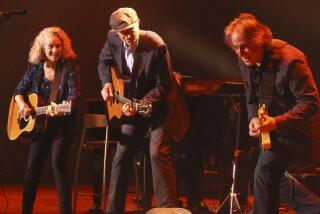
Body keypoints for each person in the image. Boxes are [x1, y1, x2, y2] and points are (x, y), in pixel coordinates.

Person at [224, 13, 320, 214]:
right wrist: (252, 118)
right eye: (235, 48)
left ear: (259, 40)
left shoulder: (291, 60)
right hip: (273, 130)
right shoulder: (245, 59)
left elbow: (310, 104)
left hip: (298, 130)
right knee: (269, 174)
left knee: (265, 172)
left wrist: (275, 122)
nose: (240, 53)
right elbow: (251, 96)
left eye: (244, 46)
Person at [98, 7, 189, 214]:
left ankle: (168, 210)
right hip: (134, 105)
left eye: (130, 31)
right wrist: (106, 83)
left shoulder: (155, 44)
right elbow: (103, 62)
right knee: (122, 152)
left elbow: (164, 85)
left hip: (160, 108)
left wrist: (144, 103)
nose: (127, 37)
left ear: (138, 24)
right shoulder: (112, 38)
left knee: (157, 152)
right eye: (123, 33)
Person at [14, 26, 80, 214]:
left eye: (58, 46)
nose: (54, 51)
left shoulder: (70, 66)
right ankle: (26, 210)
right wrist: (23, 106)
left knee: (58, 162)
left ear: (63, 46)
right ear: (42, 47)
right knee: (32, 167)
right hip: (41, 125)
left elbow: (74, 98)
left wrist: (59, 111)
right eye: (50, 46)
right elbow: (18, 91)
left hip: (63, 123)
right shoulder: (35, 67)